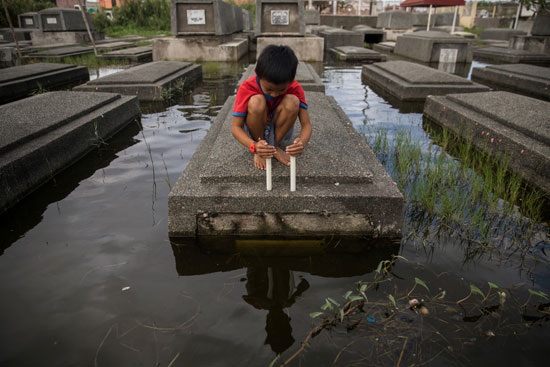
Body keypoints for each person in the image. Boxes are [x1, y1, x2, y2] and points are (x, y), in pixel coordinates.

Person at [231, 45, 312, 170]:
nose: (274, 94)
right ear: (258, 75)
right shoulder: (247, 88)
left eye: (281, 90)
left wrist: (302, 143)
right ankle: (262, 148)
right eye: (269, 89)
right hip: (256, 128)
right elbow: (236, 128)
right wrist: (254, 146)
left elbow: (306, 125)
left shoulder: (295, 88)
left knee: (293, 101)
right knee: (256, 102)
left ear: (291, 80)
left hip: (279, 126)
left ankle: (274, 146)